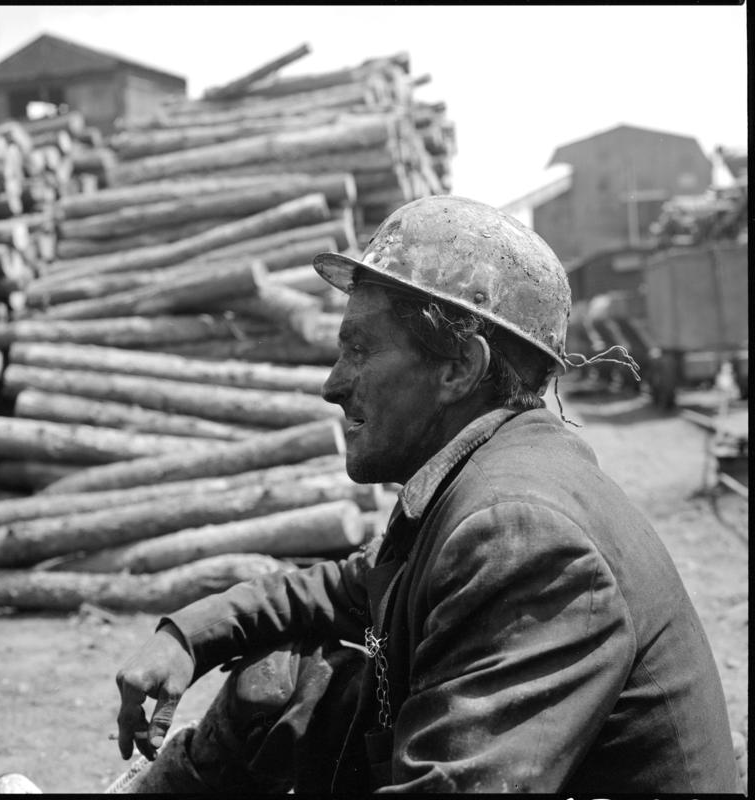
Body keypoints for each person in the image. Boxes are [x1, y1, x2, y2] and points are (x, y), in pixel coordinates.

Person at [114, 195, 741, 793]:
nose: (334, 386)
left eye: (359, 349)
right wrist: (191, 634)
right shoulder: (482, 481)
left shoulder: (519, 533)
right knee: (283, 685)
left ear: (458, 368)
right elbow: (349, 587)